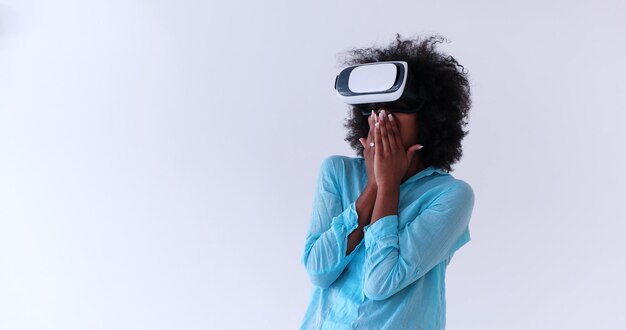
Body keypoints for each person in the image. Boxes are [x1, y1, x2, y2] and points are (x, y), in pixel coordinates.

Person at [299, 34, 475, 330]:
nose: (382, 118)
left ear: (429, 119)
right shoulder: (337, 172)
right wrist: (374, 186)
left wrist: (389, 187)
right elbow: (318, 271)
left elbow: (381, 282)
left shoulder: (450, 196)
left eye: (396, 108)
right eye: (374, 108)